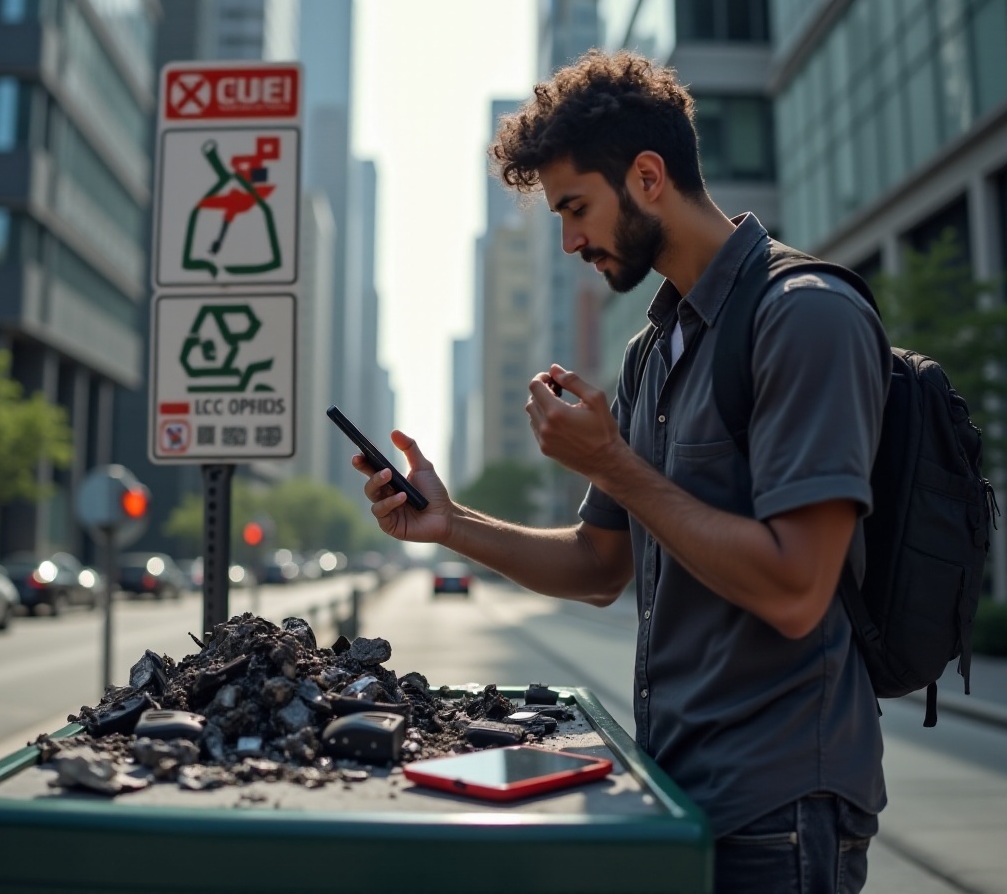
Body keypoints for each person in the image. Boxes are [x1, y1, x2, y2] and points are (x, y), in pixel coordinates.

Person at [350, 49, 889, 894]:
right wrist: (452, 525)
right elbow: (602, 565)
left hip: (782, 802)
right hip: (675, 785)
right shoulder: (652, 352)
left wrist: (615, 463)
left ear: (647, 176)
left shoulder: (805, 317)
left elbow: (797, 591)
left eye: (576, 209)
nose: (569, 242)